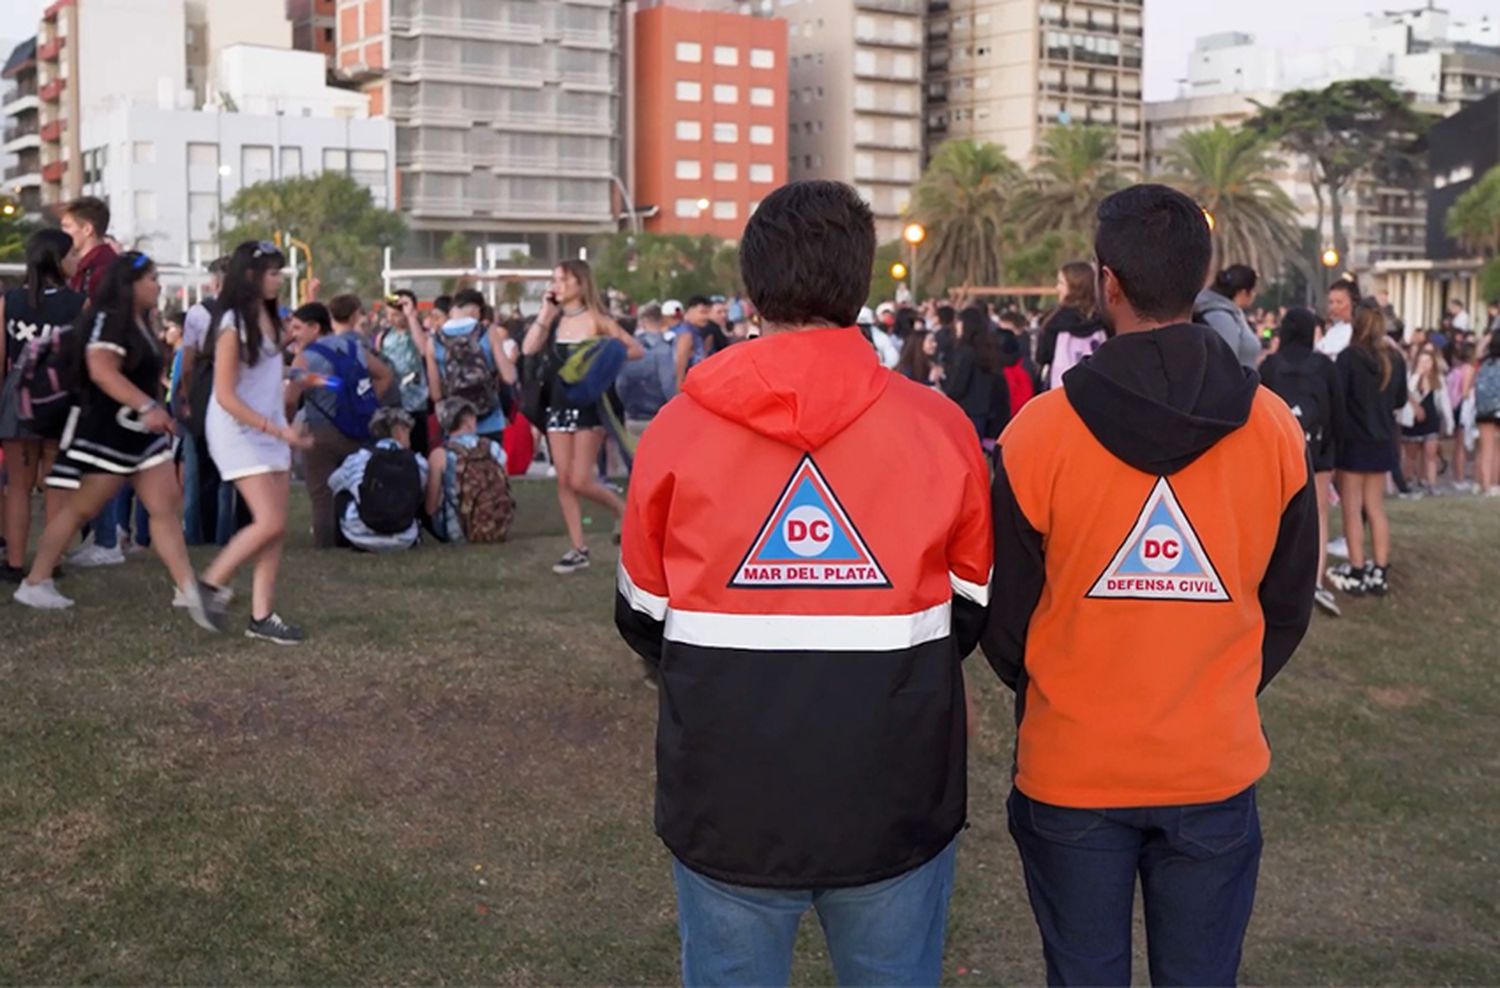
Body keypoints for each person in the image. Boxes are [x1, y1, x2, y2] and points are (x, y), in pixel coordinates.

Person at [615, 180, 993, 988]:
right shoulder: (940, 429)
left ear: (753, 288)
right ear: (859, 285)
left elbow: (644, 615)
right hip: (895, 796)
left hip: (728, 800)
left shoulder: (678, 431)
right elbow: (966, 613)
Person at [983, 184, 1317, 987]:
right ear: (1200, 279)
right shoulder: (1273, 428)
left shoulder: (1040, 434)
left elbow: (1004, 622)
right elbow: (1289, 607)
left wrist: (1066, 682)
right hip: (1210, 767)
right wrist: (1216, 681)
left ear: (1109, 283)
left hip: (1073, 773)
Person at [13, 253, 220, 629]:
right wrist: (147, 406)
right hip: (105, 432)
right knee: (81, 508)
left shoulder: (139, 322)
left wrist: (156, 412)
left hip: (138, 434)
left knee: (164, 505)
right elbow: (101, 370)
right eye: (152, 279)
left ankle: (187, 587)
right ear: (129, 284)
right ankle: (35, 581)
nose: (158, 285)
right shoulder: (109, 320)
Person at [198, 241, 314, 644]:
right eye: (272, 273)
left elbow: (262, 367)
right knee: (270, 521)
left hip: (269, 427)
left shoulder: (267, 317)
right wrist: (278, 429)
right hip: (240, 430)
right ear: (250, 275)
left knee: (275, 528)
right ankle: (210, 584)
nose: (279, 280)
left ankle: (261, 616)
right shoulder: (231, 322)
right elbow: (227, 395)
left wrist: (296, 375)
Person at [522, 260, 642, 575]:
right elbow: (528, 348)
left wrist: (599, 359)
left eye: (563, 280)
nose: (556, 285)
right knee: (563, 479)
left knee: (580, 478)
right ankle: (578, 548)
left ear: (579, 284)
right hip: (557, 404)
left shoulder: (598, 320)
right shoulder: (554, 321)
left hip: (589, 405)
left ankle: (623, 510)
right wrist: (545, 314)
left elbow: (634, 350)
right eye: (554, 279)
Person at [1, 229, 86, 582]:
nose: (77, 261)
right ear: (56, 259)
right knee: (56, 484)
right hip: (59, 398)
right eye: (71, 255)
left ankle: (15, 562)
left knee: (17, 486)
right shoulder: (78, 303)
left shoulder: (10, 300)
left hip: (17, 398)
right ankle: (50, 562)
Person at [1260, 307, 1344, 617]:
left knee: (1275, 513)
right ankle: (1315, 579)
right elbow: (1337, 410)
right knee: (1318, 514)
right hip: (1318, 451)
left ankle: (1272, 577)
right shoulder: (1324, 366)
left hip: (1277, 451)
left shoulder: (1270, 366)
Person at [1327, 301, 1408, 597]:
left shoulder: (1349, 358)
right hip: (1382, 439)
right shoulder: (1394, 359)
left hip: (1353, 441)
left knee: (1351, 508)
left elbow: (1338, 398)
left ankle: (1357, 567)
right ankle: (1380, 569)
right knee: (1375, 507)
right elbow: (1400, 399)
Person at [179, 256, 238, 547]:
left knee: (196, 473)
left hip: (203, 394)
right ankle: (226, 534)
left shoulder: (197, 314)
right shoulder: (247, 314)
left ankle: (195, 534)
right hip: (236, 397)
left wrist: (184, 395)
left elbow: (187, 362)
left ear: (214, 282)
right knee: (229, 474)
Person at [328, 407, 427, 552]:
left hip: (360, 536)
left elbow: (332, 482)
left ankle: (343, 539)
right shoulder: (419, 463)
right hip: (405, 537)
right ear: (399, 431)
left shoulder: (358, 459)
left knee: (343, 492)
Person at [425, 288, 516, 444]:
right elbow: (509, 377)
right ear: (477, 311)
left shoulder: (433, 342)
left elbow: (436, 394)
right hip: (490, 421)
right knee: (491, 466)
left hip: (454, 424)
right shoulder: (487, 332)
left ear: (453, 310)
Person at [424, 397, 514, 545]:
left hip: (458, 533)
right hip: (498, 524)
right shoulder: (493, 448)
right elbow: (506, 485)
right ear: (469, 421)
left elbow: (430, 507)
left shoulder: (439, 455)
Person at [377, 289, 433, 457]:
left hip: (416, 402)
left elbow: (423, 349)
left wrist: (411, 317)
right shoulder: (384, 336)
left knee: (418, 450)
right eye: (389, 314)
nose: (391, 319)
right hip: (392, 401)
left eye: (396, 314)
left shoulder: (420, 333)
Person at [1036, 261, 1107, 389]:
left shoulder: (1053, 322)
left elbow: (1042, 356)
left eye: (1061, 283)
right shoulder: (1105, 318)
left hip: (1060, 390)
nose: (1057, 288)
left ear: (1074, 287)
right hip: (1098, 390)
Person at [942, 306, 1009, 439]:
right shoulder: (989, 349)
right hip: (985, 410)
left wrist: (943, 382)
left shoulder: (965, 352)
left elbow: (957, 387)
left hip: (966, 411)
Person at [614, 302, 677, 436]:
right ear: (662, 321)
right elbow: (668, 385)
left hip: (633, 415)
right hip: (659, 416)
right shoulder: (664, 349)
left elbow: (621, 383)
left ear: (642, 322)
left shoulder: (631, 348)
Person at [1398, 344, 1453, 493]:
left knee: (1431, 453)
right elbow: (1406, 390)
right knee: (1410, 455)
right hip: (1412, 422)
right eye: (1422, 361)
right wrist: (1417, 374)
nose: (1425, 365)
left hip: (1431, 420)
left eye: (1428, 362)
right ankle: (1407, 482)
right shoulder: (1410, 376)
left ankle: (1431, 484)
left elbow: (1445, 402)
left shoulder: (1438, 380)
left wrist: (1449, 422)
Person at [1195, 264, 1263, 369]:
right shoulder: (1221, 318)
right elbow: (1225, 365)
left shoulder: (1234, 314)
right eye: (1253, 291)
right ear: (1243, 292)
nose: (1254, 295)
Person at [60, 196, 117, 301]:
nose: (61, 233)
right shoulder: (82, 267)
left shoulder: (102, 271)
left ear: (87, 229)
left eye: (67, 227)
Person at [1446, 339, 1478, 492]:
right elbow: (1465, 391)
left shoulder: (1456, 369)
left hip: (1454, 406)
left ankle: (1455, 476)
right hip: (1463, 407)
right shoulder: (1469, 369)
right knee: (1461, 444)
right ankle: (1459, 477)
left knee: (1457, 444)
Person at [1472, 331, 1500, 496]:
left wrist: (1487, 338)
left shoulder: (1483, 362)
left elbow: (1476, 352)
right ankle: (1495, 484)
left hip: (1483, 409)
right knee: (1497, 450)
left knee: (1485, 449)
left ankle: (1484, 485)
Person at [672, 295, 714, 390]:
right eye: (702, 312)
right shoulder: (686, 333)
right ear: (690, 311)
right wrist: (679, 389)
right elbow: (680, 364)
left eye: (708, 313)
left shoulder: (699, 332)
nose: (706, 317)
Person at [1318, 280, 1358, 357]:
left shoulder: (1357, 332)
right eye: (1331, 302)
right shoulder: (1333, 330)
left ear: (1353, 303)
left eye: (1339, 302)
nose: (1333, 307)